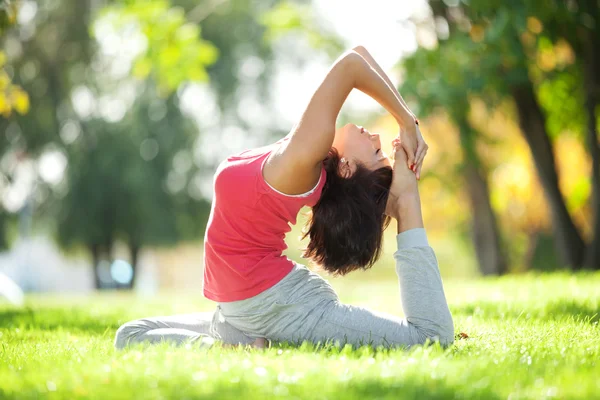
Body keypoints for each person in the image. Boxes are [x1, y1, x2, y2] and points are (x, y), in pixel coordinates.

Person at [114, 46, 453, 350]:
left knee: (429, 337)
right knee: (130, 333)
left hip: (279, 304)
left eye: (376, 150)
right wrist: (406, 121)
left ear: (348, 169)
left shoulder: (306, 157)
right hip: (246, 307)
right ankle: (236, 344)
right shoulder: (305, 152)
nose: (377, 135)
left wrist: (407, 124)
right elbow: (361, 53)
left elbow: (351, 65)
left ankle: (406, 201)